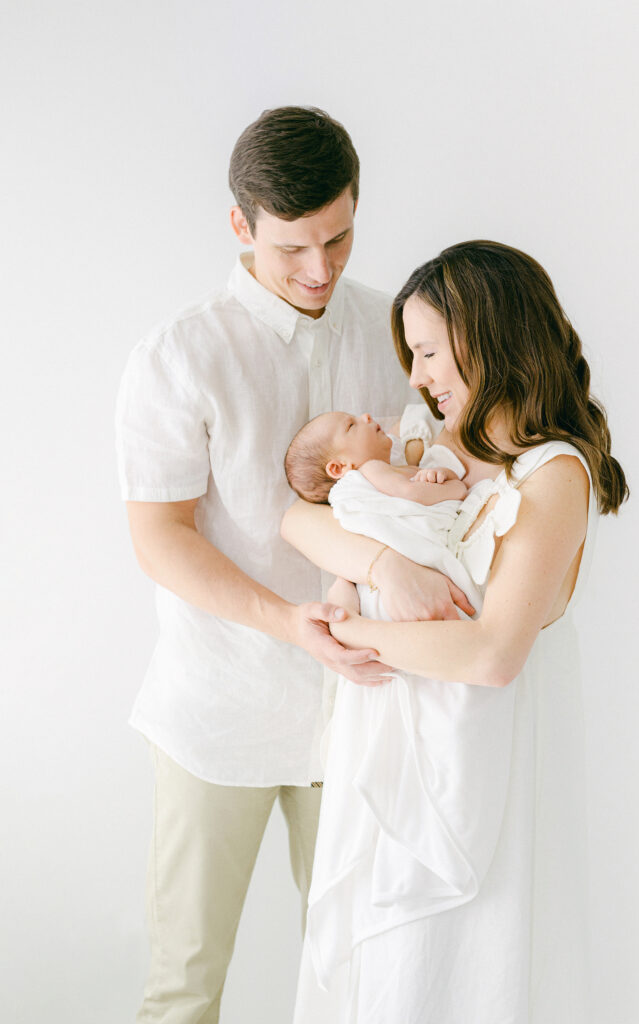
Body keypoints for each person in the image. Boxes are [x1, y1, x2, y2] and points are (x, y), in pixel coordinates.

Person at [115, 107, 472, 1024]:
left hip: (361, 718)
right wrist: (289, 625)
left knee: (364, 981)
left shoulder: (395, 327)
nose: (320, 270)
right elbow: (160, 537)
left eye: (340, 237)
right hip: (216, 714)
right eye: (293, 250)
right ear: (241, 227)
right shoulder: (179, 355)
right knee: (185, 987)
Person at [281, 240, 628, 1023]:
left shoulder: (552, 474)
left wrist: (353, 637)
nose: (417, 376)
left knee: (453, 980)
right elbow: (300, 519)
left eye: (430, 350)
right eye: (413, 353)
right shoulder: (421, 448)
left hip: (479, 786)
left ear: (488, 339)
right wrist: (382, 570)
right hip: (389, 763)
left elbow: (492, 654)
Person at [284, 408, 469, 503]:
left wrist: (438, 474)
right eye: (351, 425)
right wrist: (455, 489)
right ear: (339, 467)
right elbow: (410, 493)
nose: (365, 416)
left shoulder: (387, 471)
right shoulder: (370, 470)